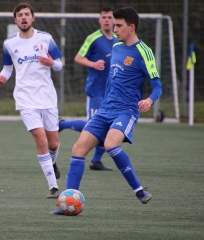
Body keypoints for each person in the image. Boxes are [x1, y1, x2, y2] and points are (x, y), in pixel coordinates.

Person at [51, 7, 163, 214]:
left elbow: (157, 85)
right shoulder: (117, 48)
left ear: (131, 27)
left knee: (111, 144)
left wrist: (149, 100)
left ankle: (138, 190)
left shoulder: (144, 51)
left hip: (126, 111)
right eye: (114, 24)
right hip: (105, 109)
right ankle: (67, 201)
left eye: (119, 25)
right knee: (78, 150)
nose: (115, 28)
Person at [0, 2, 63, 198]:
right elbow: (7, 68)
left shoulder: (46, 38)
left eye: (26, 14)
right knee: (40, 140)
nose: (23, 18)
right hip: (25, 99)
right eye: (20, 15)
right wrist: (1, 80)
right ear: (15, 20)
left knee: (53, 144)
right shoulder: (9, 43)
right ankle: (53, 187)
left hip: (47, 98)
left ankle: (53, 162)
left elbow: (59, 65)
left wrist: (51, 62)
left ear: (33, 18)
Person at [59, 6, 118, 171]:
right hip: (96, 91)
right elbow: (78, 57)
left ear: (114, 20)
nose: (107, 20)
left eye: (109, 17)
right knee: (92, 126)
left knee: (110, 127)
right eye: (104, 17)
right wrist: (93, 64)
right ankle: (62, 124)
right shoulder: (93, 38)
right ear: (100, 20)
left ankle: (96, 161)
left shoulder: (117, 40)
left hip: (112, 92)